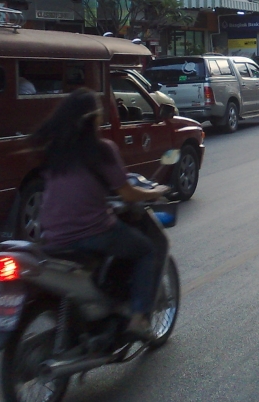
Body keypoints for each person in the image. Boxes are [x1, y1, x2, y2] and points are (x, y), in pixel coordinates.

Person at [33, 88, 167, 338]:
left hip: (51, 235)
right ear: (93, 118)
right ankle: (138, 318)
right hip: (91, 232)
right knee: (147, 249)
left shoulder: (55, 151)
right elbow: (127, 194)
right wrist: (154, 192)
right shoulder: (102, 149)